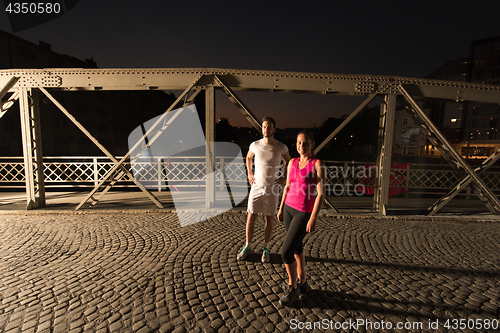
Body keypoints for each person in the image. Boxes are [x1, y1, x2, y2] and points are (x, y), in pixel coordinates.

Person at [277, 130, 326, 305]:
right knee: (297, 248)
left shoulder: (317, 163)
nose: (301, 146)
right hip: (289, 208)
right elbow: (287, 186)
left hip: (304, 211)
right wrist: (281, 207)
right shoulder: (292, 162)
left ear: (312, 144)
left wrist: (313, 218)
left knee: (285, 252)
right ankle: (303, 282)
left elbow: (320, 194)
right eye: (299, 142)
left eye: (305, 143)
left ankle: (293, 287)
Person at [237, 117, 291, 263]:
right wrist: (249, 172)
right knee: (251, 217)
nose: (266, 129)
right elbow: (248, 157)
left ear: (274, 129)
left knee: (269, 219)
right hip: (256, 186)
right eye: (264, 127)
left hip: (272, 188)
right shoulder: (255, 145)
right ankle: (248, 246)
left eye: (269, 127)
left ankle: (266, 248)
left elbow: (289, 161)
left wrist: (285, 176)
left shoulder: (281, 147)